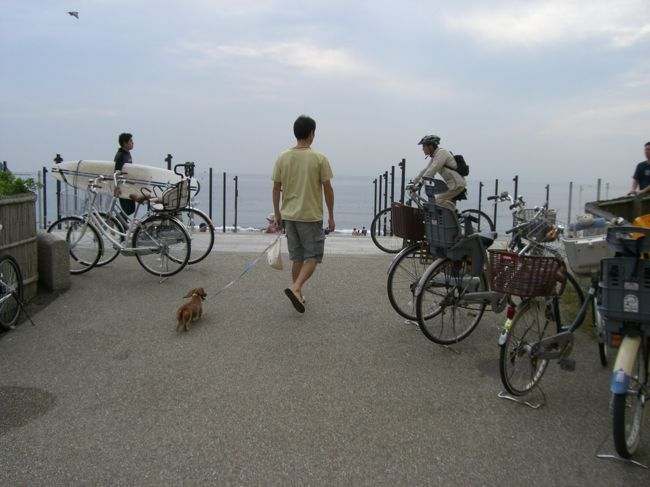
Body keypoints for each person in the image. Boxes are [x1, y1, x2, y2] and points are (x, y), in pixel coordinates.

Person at [272, 115, 335, 313]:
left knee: (297, 257)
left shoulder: (283, 157)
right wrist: (331, 216)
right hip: (310, 216)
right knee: (313, 257)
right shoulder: (319, 158)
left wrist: (277, 213)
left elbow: (276, 188)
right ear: (311, 134)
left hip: (289, 216)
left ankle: (297, 293)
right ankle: (296, 287)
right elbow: (328, 189)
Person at [413, 134, 466, 210]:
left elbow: (432, 170)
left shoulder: (442, 153)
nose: (422, 149)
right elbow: (425, 170)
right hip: (451, 185)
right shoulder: (436, 155)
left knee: (438, 201)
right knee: (441, 203)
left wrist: (419, 184)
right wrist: (413, 182)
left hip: (456, 184)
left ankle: (457, 216)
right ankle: (455, 217)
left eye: (424, 146)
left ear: (430, 146)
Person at [113, 132, 136, 215]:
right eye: (130, 141)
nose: (133, 143)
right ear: (124, 143)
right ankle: (116, 222)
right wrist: (117, 187)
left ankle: (120, 225)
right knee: (127, 209)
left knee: (131, 209)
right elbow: (117, 172)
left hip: (128, 186)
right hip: (122, 186)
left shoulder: (127, 154)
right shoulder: (120, 155)